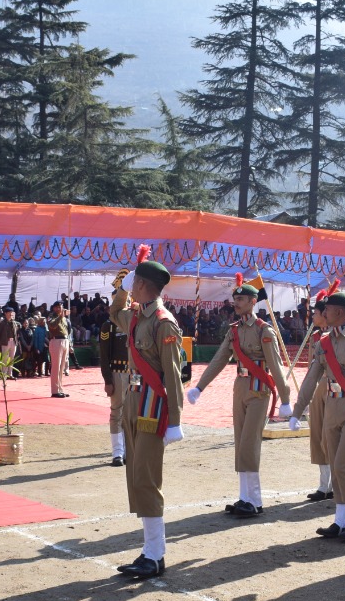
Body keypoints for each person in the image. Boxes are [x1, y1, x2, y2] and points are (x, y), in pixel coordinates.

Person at [188, 274, 293, 518]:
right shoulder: (234, 330)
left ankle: (255, 501)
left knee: (249, 443)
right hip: (240, 387)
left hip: (259, 390)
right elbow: (219, 359)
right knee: (240, 443)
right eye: (234, 298)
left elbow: (276, 366)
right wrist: (200, 387)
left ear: (253, 301)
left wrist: (286, 399)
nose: (236, 302)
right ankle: (244, 497)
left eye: (241, 299)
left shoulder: (263, 330)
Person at [110, 247, 185, 580]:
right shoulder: (137, 316)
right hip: (134, 402)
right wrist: (120, 291)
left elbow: (172, 373)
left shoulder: (163, 323)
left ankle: (155, 556)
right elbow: (115, 314)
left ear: (143, 284)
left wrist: (177, 421)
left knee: (147, 479)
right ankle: (149, 551)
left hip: (154, 408)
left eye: (134, 282)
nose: (131, 287)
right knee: (136, 478)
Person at [293, 283, 345, 544]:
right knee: (335, 464)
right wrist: (297, 409)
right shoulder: (324, 342)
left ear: (339, 312)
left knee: (343, 466)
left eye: (326, 310)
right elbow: (312, 376)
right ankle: (341, 519)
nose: (322, 313)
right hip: (331, 407)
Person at [299, 289, 333, 501]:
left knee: (334, 437)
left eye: (316, 313)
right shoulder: (316, 336)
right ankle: (324, 486)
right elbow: (312, 367)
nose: (313, 317)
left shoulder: (342, 336)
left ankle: (336, 484)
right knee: (319, 436)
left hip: (336, 389)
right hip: (318, 389)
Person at [99, 313, 130, 466]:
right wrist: (107, 379)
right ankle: (118, 452)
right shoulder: (109, 325)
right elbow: (104, 354)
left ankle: (128, 450)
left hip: (135, 373)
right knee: (117, 411)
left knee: (132, 411)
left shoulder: (135, 320)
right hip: (117, 372)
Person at [47, 302, 71, 397]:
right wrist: (61, 316)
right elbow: (52, 325)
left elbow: (68, 330)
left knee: (62, 368)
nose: (58, 309)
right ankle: (55, 391)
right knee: (56, 367)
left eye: (59, 307)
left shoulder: (64, 318)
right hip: (56, 341)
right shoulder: (51, 317)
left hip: (64, 340)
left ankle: (60, 388)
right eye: (56, 307)